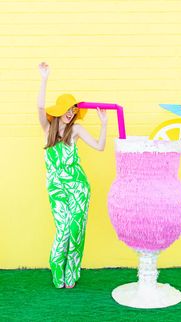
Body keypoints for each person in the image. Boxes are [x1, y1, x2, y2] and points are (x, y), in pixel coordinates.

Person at [37, 62, 108, 289]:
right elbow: (39, 108)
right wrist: (44, 78)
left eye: (73, 110)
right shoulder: (47, 129)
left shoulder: (75, 130)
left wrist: (104, 123)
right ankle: (57, 269)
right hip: (57, 187)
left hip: (78, 186)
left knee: (76, 231)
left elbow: (99, 146)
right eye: (67, 110)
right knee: (64, 229)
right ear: (58, 110)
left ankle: (71, 272)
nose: (70, 114)